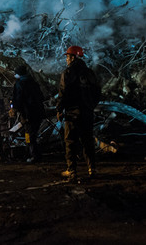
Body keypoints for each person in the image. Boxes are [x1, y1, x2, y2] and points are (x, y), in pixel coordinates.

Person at [55, 45, 100, 181]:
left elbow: (63, 92)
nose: (67, 60)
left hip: (72, 113)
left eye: (68, 57)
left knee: (70, 142)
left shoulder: (67, 73)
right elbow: (97, 92)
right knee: (88, 141)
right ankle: (92, 169)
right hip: (87, 112)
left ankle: (72, 171)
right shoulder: (89, 72)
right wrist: (91, 106)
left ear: (73, 57)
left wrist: (59, 109)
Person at [11, 65, 46, 163]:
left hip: (27, 113)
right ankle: (29, 153)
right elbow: (41, 97)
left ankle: (35, 156)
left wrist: (15, 109)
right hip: (38, 111)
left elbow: (18, 99)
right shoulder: (34, 82)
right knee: (31, 133)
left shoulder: (19, 84)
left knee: (30, 134)